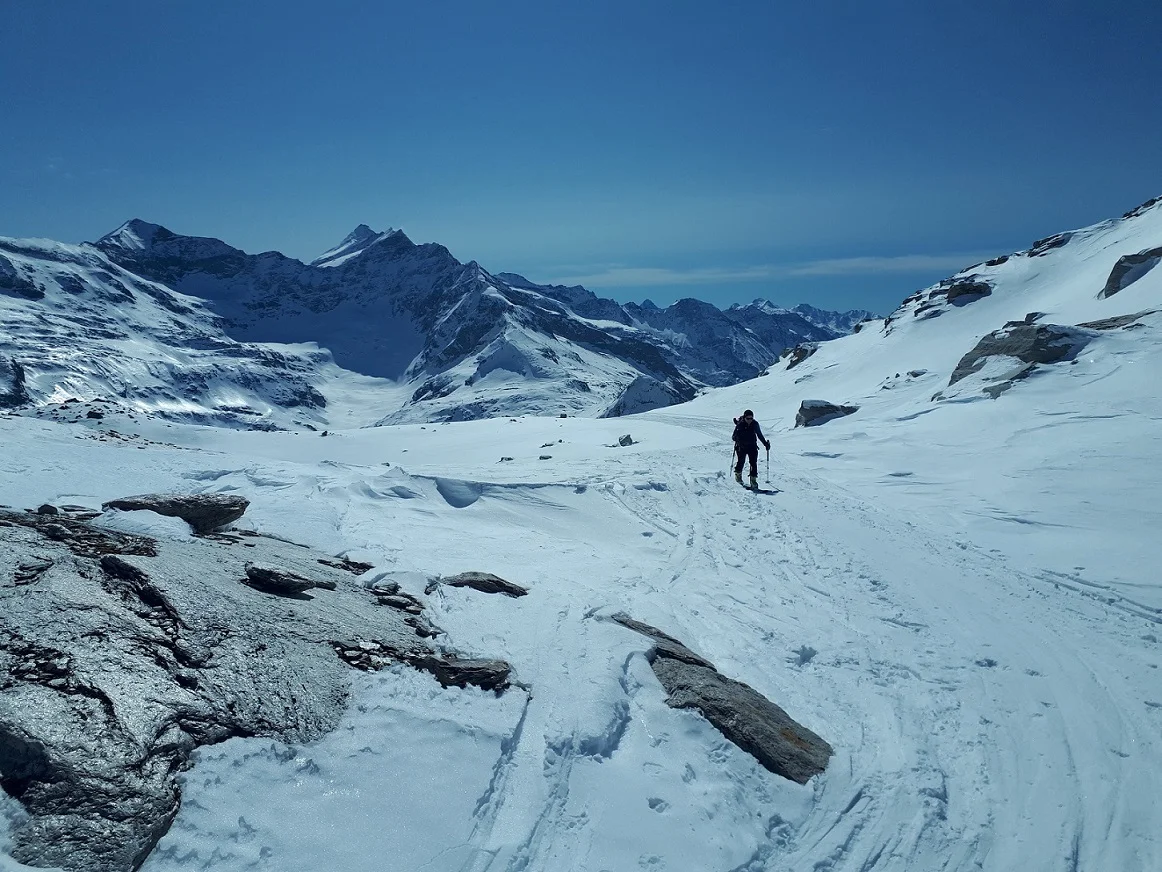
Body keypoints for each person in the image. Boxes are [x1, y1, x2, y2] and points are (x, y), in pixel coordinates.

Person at [732, 409, 770, 486]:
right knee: (741, 461)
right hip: (741, 446)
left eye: (751, 418)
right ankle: (738, 475)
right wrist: (736, 438)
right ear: (744, 417)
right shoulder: (740, 424)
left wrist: (765, 444)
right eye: (748, 418)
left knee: (753, 463)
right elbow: (733, 436)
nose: (750, 420)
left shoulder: (755, 424)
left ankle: (753, 480)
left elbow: (759, 435)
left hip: (752, 446)